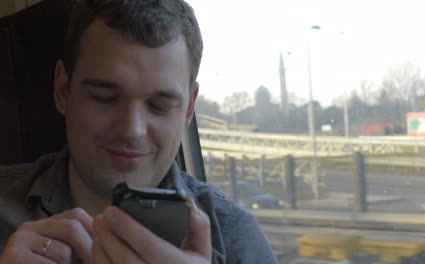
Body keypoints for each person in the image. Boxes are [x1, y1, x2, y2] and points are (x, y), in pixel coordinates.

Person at [0, 0, 278, 263]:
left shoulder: (236, 240)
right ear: (63, 91)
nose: (132, 131)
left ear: (189, 108)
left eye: (160, 106)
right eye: (104, 97)